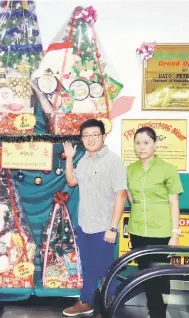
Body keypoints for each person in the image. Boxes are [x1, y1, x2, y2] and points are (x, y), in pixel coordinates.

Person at [62, 119, 127, 317]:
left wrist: (113, 228)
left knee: (106, 268)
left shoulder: (113, 161)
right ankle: (86, 302)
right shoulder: (83, 160)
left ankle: (113, 304)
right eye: (86, 136)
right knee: (88, 266)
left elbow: (121, 195)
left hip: (104, 227)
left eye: (94, 135)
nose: (90, 139)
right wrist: (70, 158)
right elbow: (72, 181)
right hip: (85, 225)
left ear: (103, 136)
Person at [127, 126, 183, 318]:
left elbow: (174, 202)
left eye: (146, 142)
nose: (141, 147)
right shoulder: (130, 170)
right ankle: (155, 311)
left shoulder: (168, 169)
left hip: (161, 231)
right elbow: (129, 198)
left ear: (155, 144)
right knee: (145, 275)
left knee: (158, 276)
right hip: (137, 231)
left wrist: (175, 233)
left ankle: (158, 313)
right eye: (137, 143)